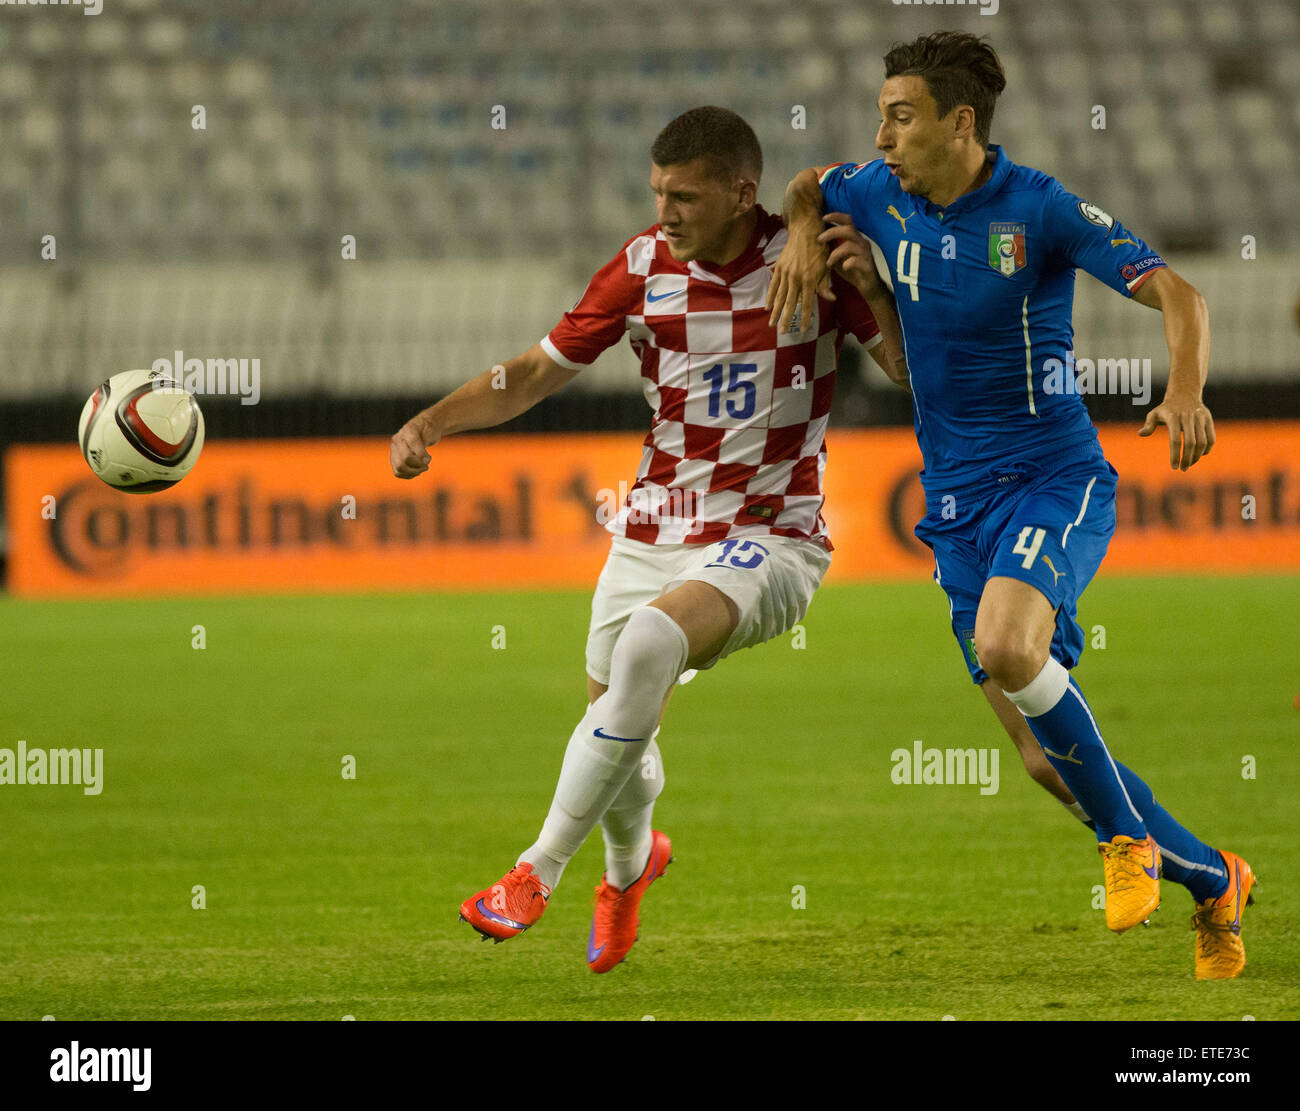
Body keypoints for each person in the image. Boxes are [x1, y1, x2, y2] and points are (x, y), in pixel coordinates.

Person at [767, 31, 1255, 980]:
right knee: (1040, 759)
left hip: (1051, 479)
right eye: (880, 115)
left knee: (1007, 645)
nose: (883, 133)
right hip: (956, 507)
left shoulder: (1039, 209)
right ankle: (1215, 878)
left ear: (959, 122)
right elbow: (804, 184)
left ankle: (1125, 841)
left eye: (901, 117)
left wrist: (1186, 389)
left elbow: (1182, 296)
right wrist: (811, 243)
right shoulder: (873, 189)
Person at [390, 106, 902, 972]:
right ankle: (629, 874)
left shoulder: (807, 261)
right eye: (658, 192)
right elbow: (538, 372)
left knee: (651, 643)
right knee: (618, 720)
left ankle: (534, 872)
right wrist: (431, 423)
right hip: (653, 529)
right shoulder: (640, 267)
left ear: (744, 193)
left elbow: (905, 372)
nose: (665, 211)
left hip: (771, 535)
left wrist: (876, 290)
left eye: (686, 196)